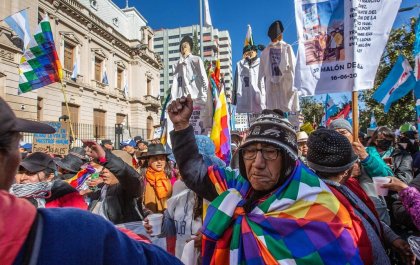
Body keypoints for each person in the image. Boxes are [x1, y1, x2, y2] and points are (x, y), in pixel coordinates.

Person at [167, 95, 363, 264]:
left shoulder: (318, 204)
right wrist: (182, 127)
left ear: (288, 161)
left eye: (270, 152)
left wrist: (222, 229)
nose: (258, 163)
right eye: (250, 152)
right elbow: (196, 174)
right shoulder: (239, 184)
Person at [0, 97, 182, 265]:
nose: (23, 176)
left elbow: (132, 181)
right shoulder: (78, 227)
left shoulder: (83, 223)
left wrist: (108, 159)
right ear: (10, 158)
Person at [306, 129, 415, 265]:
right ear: (348, 169)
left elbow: (368, 218)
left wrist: (392, 238)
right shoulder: (321, 202)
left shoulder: (350, 185)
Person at [329, 119, 393, 224]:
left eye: (343, 132)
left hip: (377, 214)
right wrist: (346, 176)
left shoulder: (369, 151)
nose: (339, 136)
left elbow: (386, 176)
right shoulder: (327, 157)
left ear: (352, 134)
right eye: (334, 134)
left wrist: (365, 157)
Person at [86, 146, 145, 225]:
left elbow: (129, 174)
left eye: (111, 168)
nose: (104, 171)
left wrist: (106, 157)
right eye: (104, 167)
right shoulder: (100, 187)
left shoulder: (129, 189)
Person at [12, 152, 87, 210]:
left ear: (49, 177)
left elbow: (81, 221)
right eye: (20, 172)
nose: (22, 178)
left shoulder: (65, 194)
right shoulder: (7, 194)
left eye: (31, 173)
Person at [140, 143, 173, 213]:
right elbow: (139, 202)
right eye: (155, 159)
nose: (159, 162)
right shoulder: (143, 179)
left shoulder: (172, 178)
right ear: (148, 161)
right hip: (149, 219)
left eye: (162, 158)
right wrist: (146, 213)